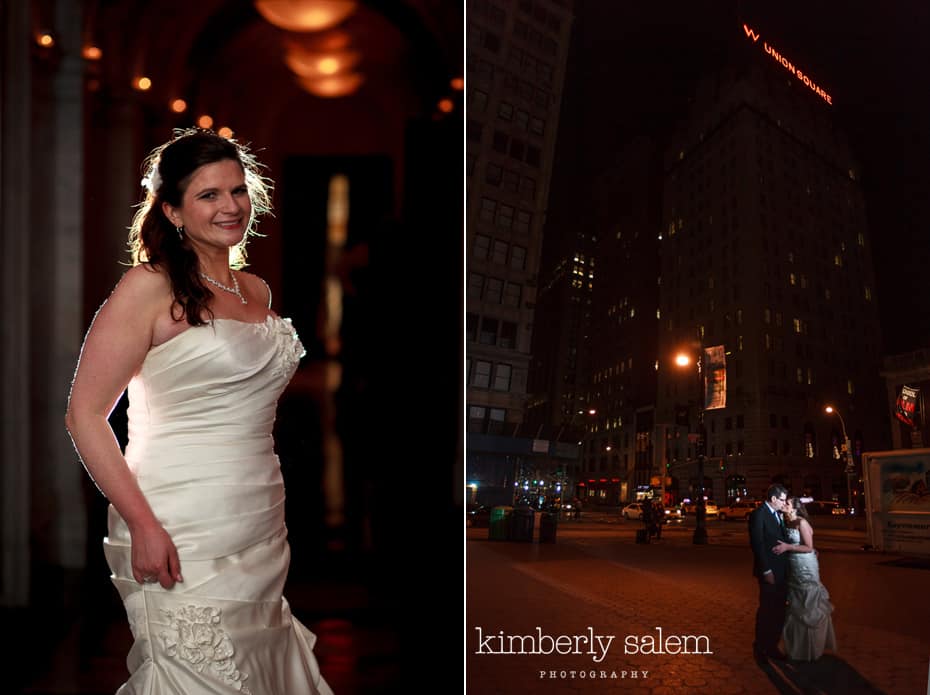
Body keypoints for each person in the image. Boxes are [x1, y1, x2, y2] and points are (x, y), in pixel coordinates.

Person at [65, 129, 333, 694]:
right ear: (172, 209)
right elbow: (85, 415)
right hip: (176, 514)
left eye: (238, 191)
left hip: (258, 512)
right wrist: (141, 523)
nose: (230, 206)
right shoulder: (148, 287)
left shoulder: (255, 290)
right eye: (209, 195)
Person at [772, 497, 837, 661]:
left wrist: (788, 547)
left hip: (805, 566)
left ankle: (813, 648)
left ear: (794, 508)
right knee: (796, 605)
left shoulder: (802, 523)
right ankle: (797, 648)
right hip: (794, 566)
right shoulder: (786, 521)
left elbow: (808, 547)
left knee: (809, 603)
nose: (784, 505)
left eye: (787, 504)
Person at [748, 484, 790, 663]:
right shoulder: (759, 515)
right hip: (769, 572)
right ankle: (760, 647)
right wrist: (766, 570)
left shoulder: (779, 515)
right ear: (773, 499)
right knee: (767, 610)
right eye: (782, 500)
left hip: (783, 572)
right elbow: (757, 544)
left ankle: (772, 645)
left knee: (780, 610)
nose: (784, 503)